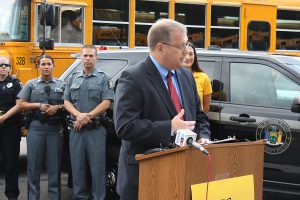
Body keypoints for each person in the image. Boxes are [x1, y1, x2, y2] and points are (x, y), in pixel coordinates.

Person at [114, 19, 211, 200]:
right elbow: (124, 127)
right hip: (145, 179)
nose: (186, 52)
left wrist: (204, 136)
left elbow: (199, 116)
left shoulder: (186, 75)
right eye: (181, 46)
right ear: (161, 48)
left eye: (187, 45)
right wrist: (170, 127)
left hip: (182, 176)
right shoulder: (133, 77)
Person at [63, 44, 114, 200]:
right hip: (76, 130)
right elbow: (66, 101)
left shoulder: (104, 78)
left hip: (96, 130)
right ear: (81, 57)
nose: (87, 58)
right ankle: (80, 197)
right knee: (78, 168)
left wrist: (87, 116)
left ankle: (99, 197)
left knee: (97, 169)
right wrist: (79, 115)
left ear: (96, 58)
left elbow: (107, 102)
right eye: (85, 55)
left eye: (91, 55)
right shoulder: (72, 78)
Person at [17, 54, 66, 200]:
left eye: (48, 64)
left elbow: (69, 103)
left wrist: (57, 107)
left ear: (53, 66)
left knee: (54, 167)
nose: (46, 67)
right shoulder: (31, 84)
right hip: (36, 128)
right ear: (38, 67)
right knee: (33, 167)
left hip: (55, 130)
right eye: (43, 64)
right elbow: (20, 103)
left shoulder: (62, 85)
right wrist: (38, 105)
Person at [0, 56, 22, 200]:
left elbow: (20, 104)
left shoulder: (15, 83)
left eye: (6, 65)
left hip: (10, 127)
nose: (3, 67)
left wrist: (4, 117)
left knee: (11, 162)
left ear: (10, 67)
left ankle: (12, 195)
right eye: (0, 65)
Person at [183, 42, 212, 113]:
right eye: (184, 53)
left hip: (196, 121)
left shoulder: (203, 77)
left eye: (191, 54)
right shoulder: (172, 75)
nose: (187, 57)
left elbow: (206, 108)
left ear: (195, 56)